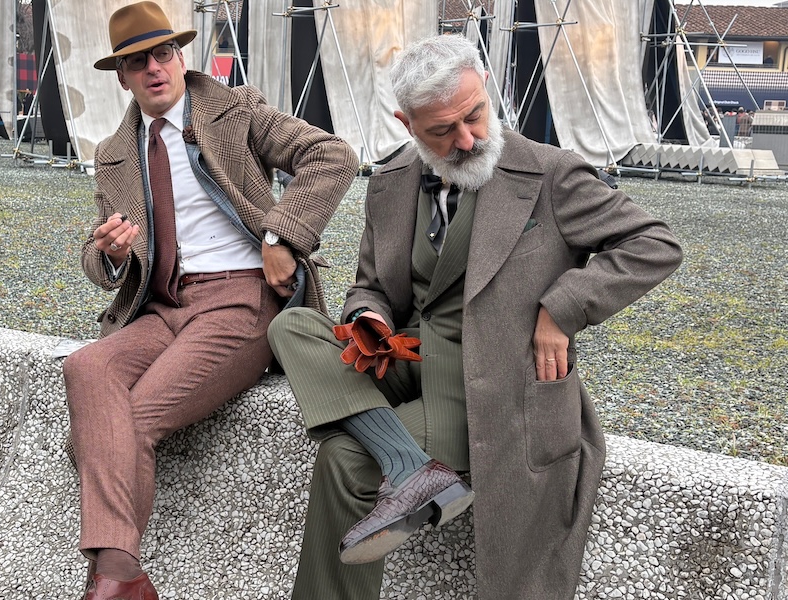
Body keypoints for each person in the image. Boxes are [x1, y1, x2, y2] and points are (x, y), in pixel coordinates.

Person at [268, 34, 682, 599]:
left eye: (474, 115)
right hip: (405, 358)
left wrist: (560, 309)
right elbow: (371, 285)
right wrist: (368, 315)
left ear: (485, 87)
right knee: (291, 326)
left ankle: (405, 467)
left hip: (488, 386)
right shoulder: (390, 182)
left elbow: (653, 245)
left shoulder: (551, 174)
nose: (467, 139)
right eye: (443, 130)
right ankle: (410, 464)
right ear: (406, 124)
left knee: (345, 459)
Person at [62, 2, 358, 598]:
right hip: (163, 305)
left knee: (129, 421)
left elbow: (332, 156)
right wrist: (112, 253)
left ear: (180, 57)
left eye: (163, 53)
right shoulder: (114, 152)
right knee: (85, 366)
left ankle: (113, 581)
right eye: (138, 62)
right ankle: (123, 582)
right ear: (121, 77)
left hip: (241, 299)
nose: (154, 68)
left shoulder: (234, 109)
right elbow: (98, 260)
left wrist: (281, 237)